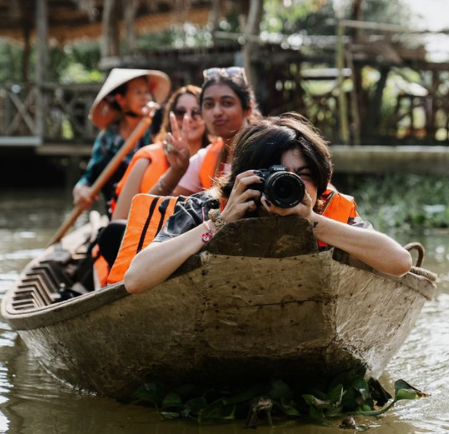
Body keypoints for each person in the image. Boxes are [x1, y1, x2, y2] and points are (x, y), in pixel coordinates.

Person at [124, 113, 413, 295]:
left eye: (303, 177)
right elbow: (135, 280)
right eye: (275, 176)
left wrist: (311, 220)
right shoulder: (208, 207)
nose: (289, 186)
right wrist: (220, 222)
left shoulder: (325, 208)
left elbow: (400, 262)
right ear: (246, 177)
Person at [73, 68, 170, 215]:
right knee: (104, 163)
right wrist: (80, 190)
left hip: (153, 209)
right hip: (118, 211)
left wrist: (155, 119)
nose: (145, 97)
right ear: (121, 99)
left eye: (146, 92)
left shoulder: (158, 126)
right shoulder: (108, 137)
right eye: (138, 93)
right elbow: (90, 175)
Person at [111, 85, 209, 220]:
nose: (188, 118)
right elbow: (118, 221)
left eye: (196, 111)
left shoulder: (217, 158)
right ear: (170, 117)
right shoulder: (147, 159)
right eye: (180, 112)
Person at [172, 67, 257, 197]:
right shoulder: (204, 158)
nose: (217, 112)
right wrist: (176, 171)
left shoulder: (266, 149)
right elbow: (166, 206)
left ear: (248, 109)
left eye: (227, 103)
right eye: (209, 105)